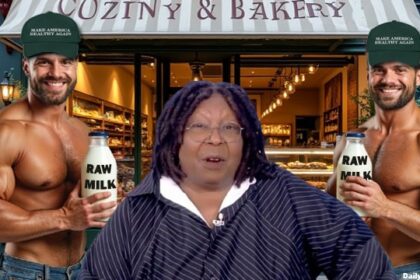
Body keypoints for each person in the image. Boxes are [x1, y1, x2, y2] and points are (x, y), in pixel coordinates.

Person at [79, 80, 396, 279]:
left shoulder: (292, 200)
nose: (215, 139)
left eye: (230, 128)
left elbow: (367, 264)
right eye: (198, 127)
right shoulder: (137, 212)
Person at [0, 12, 116, 280]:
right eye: (44, 62)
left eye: (65, 62)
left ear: (76, 66)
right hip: (28, 273)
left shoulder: (82, 131)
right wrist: (64, 218)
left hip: (82, 268)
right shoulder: (8, 130)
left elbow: (85, 203)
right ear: (27, 66)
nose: (56, 73)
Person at [326, 20, 420, 278]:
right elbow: (332, 209)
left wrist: (384, 208)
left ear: (418, 75)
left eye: (400, 70)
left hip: (406, 271)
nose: (388, 79)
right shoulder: (351, 139)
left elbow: (380, 207)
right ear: (368, 75)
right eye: (379, 70)